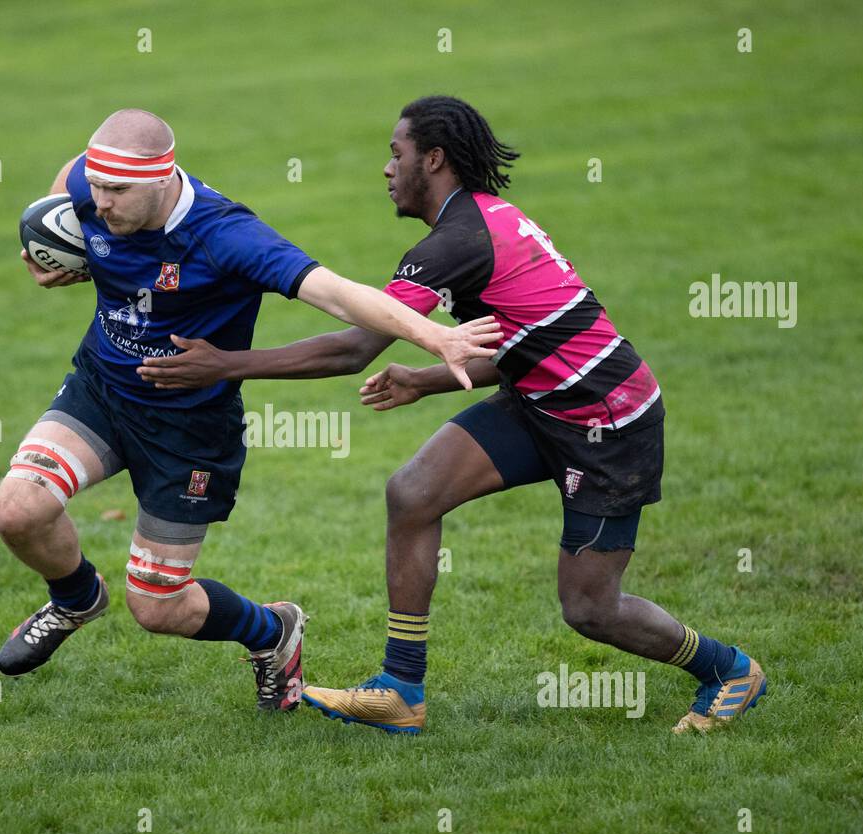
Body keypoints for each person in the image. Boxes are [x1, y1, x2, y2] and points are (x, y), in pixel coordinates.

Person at [136, 95, 767, 734]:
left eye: (397, 153)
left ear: (432, 159)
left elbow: (354, 347)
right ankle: (401, 688)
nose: (387, 169)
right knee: (413, 493)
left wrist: (226, 364)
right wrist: (424, 379)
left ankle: (729, 669)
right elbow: (518, 344)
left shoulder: (456, 243)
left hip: (606, 422)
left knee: (590, 609)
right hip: (542, 403)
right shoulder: (484, 222)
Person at [0, 108, 501, 716]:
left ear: (163, 179)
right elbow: (70, 180)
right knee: (19, 511)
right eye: (95, 189)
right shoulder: (95, 187)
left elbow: (337, 292)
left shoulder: (226, 235)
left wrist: (436, 339)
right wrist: (59, 247)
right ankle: (76, 597)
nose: (99, 204)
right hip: (102, 391)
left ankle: (273, 631)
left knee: (156, 607)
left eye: (117, 191)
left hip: (189, 430)